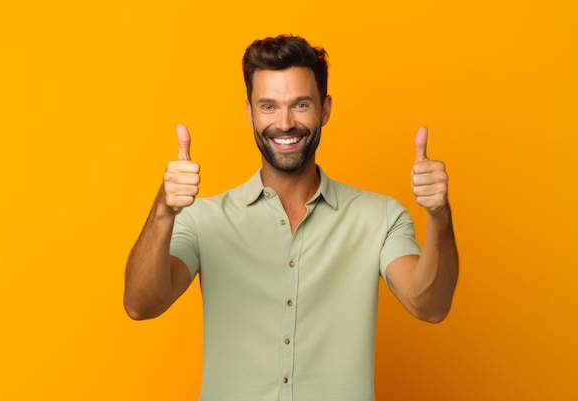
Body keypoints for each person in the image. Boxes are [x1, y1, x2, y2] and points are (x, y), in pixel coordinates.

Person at [124, 34, 458, 401]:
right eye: (268, 106)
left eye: (300, 104)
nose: (284, 123)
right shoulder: (203, 219)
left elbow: (430, 305)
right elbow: (141, 304)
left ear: (325, 109)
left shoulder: (378, 217)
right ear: (249, 112)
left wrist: (439, 215)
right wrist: (163, 211)